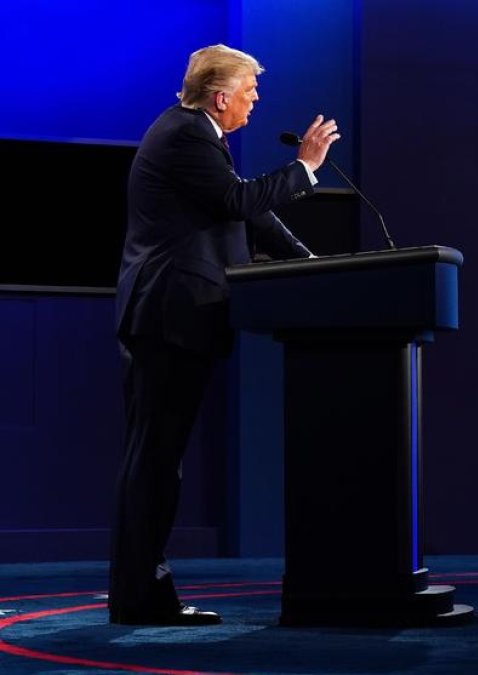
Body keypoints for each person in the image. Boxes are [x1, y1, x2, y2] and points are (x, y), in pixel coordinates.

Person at [109, 44, 340, 626]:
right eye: (250, 92)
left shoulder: (196, 136)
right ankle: (140, 599)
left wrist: (312, 260)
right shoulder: (187, 135)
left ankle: (142, 596)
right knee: (155, 461)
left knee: (158, 460)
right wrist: (305, 168)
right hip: (167, 316)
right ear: (221, 97)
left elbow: (245, 214)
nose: (255, 101)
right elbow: (239, 199)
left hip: (171, 317)